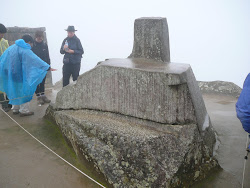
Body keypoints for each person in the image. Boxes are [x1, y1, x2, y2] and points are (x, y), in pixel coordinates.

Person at [0, 35, 55, 116]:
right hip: (21, 75)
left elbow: (3, 59)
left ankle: (15, 109)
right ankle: (24, 110)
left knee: (15, 91)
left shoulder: (12, 48)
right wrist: (47, 67)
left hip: (12, 75)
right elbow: (35, 59)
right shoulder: (24, 49)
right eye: (31, 43)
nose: (31, 45)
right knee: (24, 92)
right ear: (28, 42)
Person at [32, 31, 51, 105]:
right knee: (37, 82)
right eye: (38, 37)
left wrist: (49, 65)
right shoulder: (33, 45)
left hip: (44, 66)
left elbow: (47, 55)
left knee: (42, 82)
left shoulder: (44, 45)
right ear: (36, 37)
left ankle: (43, 96)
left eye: (41, 37)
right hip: (35, 67)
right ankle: (38, 97)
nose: (40, 39)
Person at [0, 23, 12, 112]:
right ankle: (3, 104)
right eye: (1, 33)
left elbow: (9, 53)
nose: (2, 35)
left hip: (6, 67)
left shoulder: (4, 42)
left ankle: (9, 103)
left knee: (8, 85)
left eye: (3, 34)